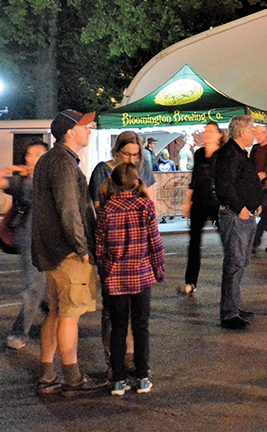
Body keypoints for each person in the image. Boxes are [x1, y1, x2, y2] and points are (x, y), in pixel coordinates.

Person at [31, 109, 108, 395]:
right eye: (85, 126)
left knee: (56, 311)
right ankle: (72, 377)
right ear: (70, 132)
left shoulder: (49, 159)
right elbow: (69, 209)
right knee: (69, 314)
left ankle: (47, 373)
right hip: (67, 253)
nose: (90, 130)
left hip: (51, 251)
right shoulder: (63, 163)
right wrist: (82, 247)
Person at [95, 163, 165, 396]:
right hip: (141, 275)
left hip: (115, 278)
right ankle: (143, 377)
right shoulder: (145, 206)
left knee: (118, 329)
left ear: (113, 183)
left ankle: (118, 380)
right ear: (137, 182)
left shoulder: (106, 209)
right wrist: (159, 270)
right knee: (141, 327)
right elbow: (155, 242)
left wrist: (106, 272)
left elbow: (100, 248)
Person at [0, 140, 49, 350]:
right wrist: (11, 169)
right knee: (34, 287)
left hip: (51, 240)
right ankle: (19, 332)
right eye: (30, 154)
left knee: (45, 287)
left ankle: (53, 315)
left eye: (39, 154)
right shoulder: (20, 182)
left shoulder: (51, 179)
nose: (33, 158)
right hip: (28, 239)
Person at [214, 115, 261, 330]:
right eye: (251, 130)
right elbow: (225, 185)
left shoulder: (239, 153)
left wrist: (255, 203)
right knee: (234, 263)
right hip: (235, 216)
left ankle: (233, 305)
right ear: (242, 132)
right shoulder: (229, 154)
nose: (254, 134)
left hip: (244, 214)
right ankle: (229, 313)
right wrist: (240, 208)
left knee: (240, 262)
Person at [180, 121, 222, 297]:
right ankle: (190, 281)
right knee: (194, 243)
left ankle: (231, 282)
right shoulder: (198, 154)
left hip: (217, 202)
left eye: (211, 131)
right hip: (199, 201)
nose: (207, 134)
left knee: (227, 240)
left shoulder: (222, 155)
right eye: (206, 131)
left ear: (219, 135)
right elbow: (194, 179)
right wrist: (187, 202)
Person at [88, 131, 154, 208]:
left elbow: (152, 202)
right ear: (116, 151)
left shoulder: (144, 167)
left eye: (135, 155)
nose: (131, 160)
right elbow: (97, 206)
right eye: (126, 154)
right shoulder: (102, 170)